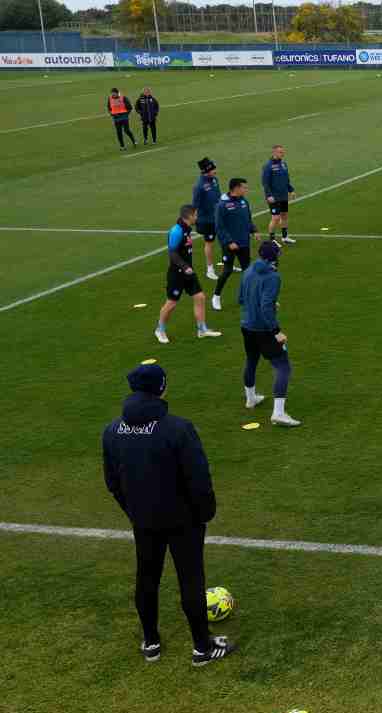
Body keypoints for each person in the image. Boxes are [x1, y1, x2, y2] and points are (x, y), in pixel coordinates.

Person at [102, 363, 236, 666]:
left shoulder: (112, 430)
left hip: (143, 519)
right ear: (161, 388)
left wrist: (133, 510)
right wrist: (205, 511)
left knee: (146, 577)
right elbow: (198, 478)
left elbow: (112, 481)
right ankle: (202, 648)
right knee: (190, 578)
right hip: (183, 519)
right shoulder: (178, 428)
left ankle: (151, 642)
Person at [239, 240, 301, 426]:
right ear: (273, 257)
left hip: (247, 325)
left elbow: (241, 298)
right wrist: (277, 332)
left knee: (251, 360)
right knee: (283, 367)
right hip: (264, 329)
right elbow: (265, 307)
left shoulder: (248, 270)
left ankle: (250, 399)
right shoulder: (273, 277)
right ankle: (278, 413)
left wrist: (266, 304)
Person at [156, 205, 222, 344]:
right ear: (189, 216)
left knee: (200, 297)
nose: (197, 217)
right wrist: (185, 267)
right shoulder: (176, 231)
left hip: (188, 272)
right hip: (177, 273)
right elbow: (172, 253)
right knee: (172, 303)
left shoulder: (186, 229)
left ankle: (202, 330)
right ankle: (160, 330)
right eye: (195, 215)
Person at [212, 178, 259, 311]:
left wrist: (254, 230)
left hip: (244, 242)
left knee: (247, 271)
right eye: (244, 187)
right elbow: (219, 227)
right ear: (236, 188)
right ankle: (216, 296)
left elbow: (248, 219)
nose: (246, 190)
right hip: (230, 245)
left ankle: (246, 296)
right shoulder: (222, 205)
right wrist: (229, 242)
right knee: (227, 271)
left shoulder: (244, 201)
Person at [192, 158, 222, 280]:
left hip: (218, 217)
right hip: (207, 220)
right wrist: (195, 219)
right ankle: (210, 269)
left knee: (224, 240)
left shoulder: (214, 180)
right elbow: (195, 205)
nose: (215, 170)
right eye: (213, 169)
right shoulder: (199, 186)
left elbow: (218, 196)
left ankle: (225, 264)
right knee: (209, 243)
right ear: (206, 171)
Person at [261, 145, 295, 245]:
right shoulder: (268, 166)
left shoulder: (284, 164)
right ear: (274, 153)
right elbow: (265, 182)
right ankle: (271, 240)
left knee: (284, 215)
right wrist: (268, 195)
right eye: (280, 152)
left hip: (283, 195)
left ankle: (285, 237)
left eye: (283, 152)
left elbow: (286, 179)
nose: (282, 153)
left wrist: (291, 190)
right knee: (275, 218)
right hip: (274, 197)